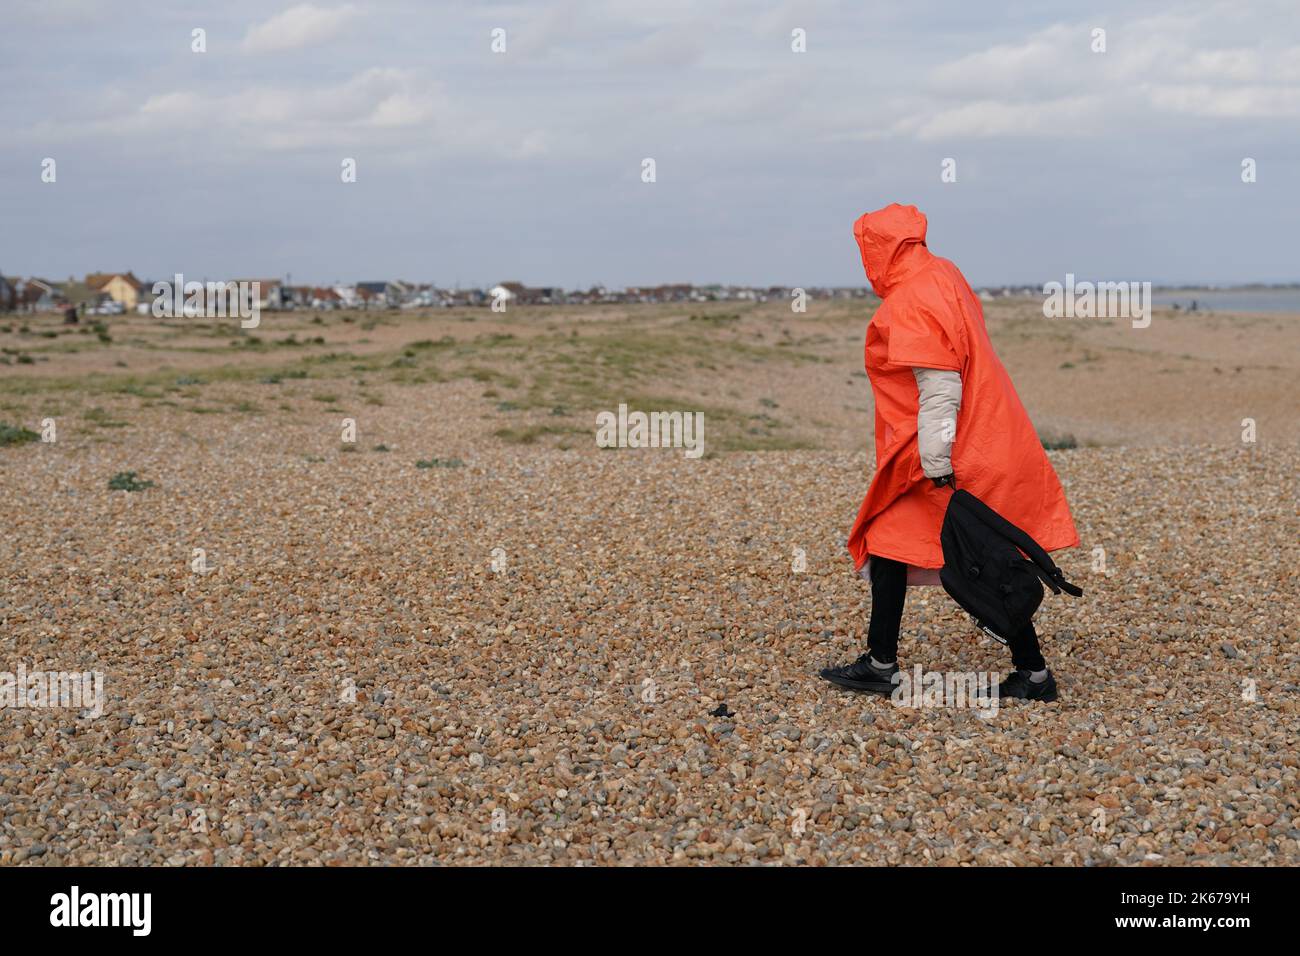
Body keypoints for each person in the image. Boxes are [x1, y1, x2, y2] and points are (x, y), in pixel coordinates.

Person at [820, 204, 1079, 702]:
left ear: (878, 249)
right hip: (980, 436)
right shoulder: (944, 273)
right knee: (892, 542)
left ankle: (1034, 674)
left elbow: (941, 386)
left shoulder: (911, 299)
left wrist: (937, 464)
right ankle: (881, 661)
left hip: (947, 453)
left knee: (985, 557)